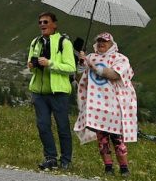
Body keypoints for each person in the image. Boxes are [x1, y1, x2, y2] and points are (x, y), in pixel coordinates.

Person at [74, 32, 137, 176]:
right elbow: (79, 78)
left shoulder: (120, 59)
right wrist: (82, 64)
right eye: (99, 41)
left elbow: (114, 75)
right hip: (96, 105)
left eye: (105, 41)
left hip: (115, 105)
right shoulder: (90, 57)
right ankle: (108, 167)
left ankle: (124, 167)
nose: (101, 43)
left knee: (117, 138)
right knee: (102, 139)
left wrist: (94, 67)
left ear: (111, 43)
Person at [27, 11, 76, 170]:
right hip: (39, 92)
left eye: (46, 22)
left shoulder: (64, 42)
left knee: (62, 126)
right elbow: (31, 66)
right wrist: (32, 66)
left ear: (54, 24)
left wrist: (50, 63)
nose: (42, 25)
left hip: (58, 92)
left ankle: (66, 160)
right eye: (40, 22)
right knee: (42, 126)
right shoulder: (35, 42)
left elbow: (70, 68)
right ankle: (50, 158)